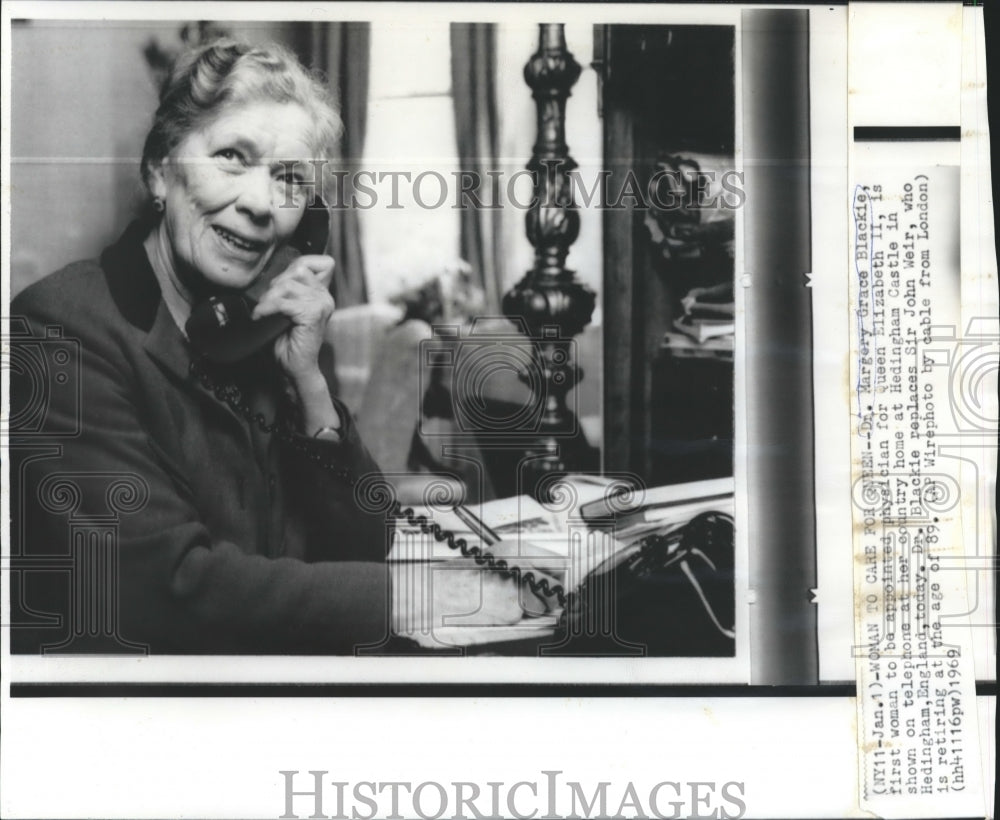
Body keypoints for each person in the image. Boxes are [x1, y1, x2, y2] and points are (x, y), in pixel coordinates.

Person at [10, 39, 531, 655]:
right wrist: (417, 596)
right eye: (232, 156)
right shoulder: (62, 328)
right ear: (160, 170)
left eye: (289, 179)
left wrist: (309, 387)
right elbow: (158, 587)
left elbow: (361, 544)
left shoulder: (264, 325)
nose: (262, 204)